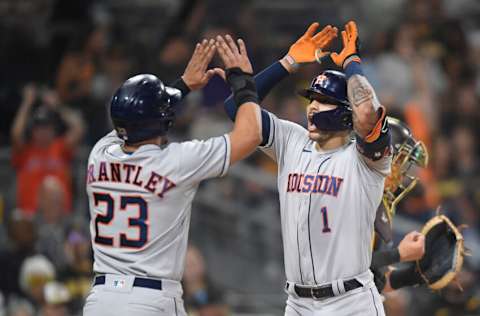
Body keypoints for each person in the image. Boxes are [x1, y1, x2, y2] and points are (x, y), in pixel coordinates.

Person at [83, 37, 262, 316]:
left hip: (100, 299)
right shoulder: (177, 162)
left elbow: (134, 118)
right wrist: (243, 82)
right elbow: (250, 135)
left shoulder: (100, 153)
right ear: (163, 120)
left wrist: (182, 86)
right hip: (150, 299)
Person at [224, 21, 391, 315]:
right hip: (297, 303)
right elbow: (235, 109)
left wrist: (352, 63)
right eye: (311, 99)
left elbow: (366, 112)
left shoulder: (366, 160)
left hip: (350, 302)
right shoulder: (291, 140)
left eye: (324, 101)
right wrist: (286, 64)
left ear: (345, 113)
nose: (312, 106)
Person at [370, 117, 429, 293]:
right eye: (399, 160)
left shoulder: (378, 202)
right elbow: (342, 267)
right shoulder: (351, 195)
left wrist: (415, 274)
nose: (402, 173)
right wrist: (399, 254)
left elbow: (373, 279)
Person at [10, 85, 85, 214]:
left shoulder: (61, 148)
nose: (43, 132)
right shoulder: (25, 151)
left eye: (47, 127)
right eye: (39, 128)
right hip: (30, 221)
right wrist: (27, 103)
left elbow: (79, 128)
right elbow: (15, 135)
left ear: (54, 130)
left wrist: (57, 106)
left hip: (62, 221)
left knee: (77, 234)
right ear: (32, 131)